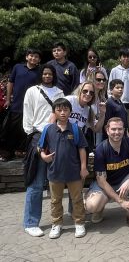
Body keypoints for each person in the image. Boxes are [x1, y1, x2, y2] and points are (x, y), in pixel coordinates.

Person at [22, 64, 64, 237]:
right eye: (45, 74)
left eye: (50, 74)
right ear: (41, 75)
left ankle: (63, 218)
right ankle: (31, 222)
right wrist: (30, 132)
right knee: (36, 182)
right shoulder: (32, 91)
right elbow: (27, 112)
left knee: (60, 181)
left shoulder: (59, 92)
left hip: (56, 136)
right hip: (38, 135)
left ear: (54, 75)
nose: (47, 76)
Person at [38, 98, 88, 239]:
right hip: (54, 171)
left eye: (65, 110)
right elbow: (41, 148)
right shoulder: (48, 129)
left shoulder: (75, 129)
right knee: (55, 200)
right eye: (59, 110)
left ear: (70, 112)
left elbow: (82, 149)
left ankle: (79, 223)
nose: (62, 113)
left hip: (74, 171)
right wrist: (43, 156)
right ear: (54, 112)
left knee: (77, 198)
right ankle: (57, 224)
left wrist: (83, 167)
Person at [85, 117, 129, 226]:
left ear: (124, 130)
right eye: (114, 129)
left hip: (124, 180)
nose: (117, 132)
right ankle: (99, 208)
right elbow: (101, 180)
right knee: (92, 205)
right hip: (105, 184)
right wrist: (120, 202)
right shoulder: (101, 149)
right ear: (107, 131)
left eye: (120, 129)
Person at [0, 48, 41, 161]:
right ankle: (7, 153)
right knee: (12, 129)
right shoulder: (17, 67)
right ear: (27, 57)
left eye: (36, 56)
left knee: (26, 130)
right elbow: (10, 83)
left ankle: (21, 152)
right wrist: (8, 99)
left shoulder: (40, 71)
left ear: (39, 59)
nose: (33, 58)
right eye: (31, 55)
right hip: (17, 104)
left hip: (31, 107)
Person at [108, 47, 129, 135]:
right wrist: (111, 100)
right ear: (120, 58)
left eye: (128, 56)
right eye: (124, 56)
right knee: (117, 125)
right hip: (117, 103)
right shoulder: (114, 70)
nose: (126, 58)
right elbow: (109, 88)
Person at [66, 82, 106, 147]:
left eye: (91, 93)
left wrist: (102, 113)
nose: (88, 94)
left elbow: (96, 129)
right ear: (80, 90)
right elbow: (53, 118)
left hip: (75, 142)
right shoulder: (69, 100)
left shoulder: (89, 109)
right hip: (63, 139)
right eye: (85, 91)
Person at [92, 71, 108, 146]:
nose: (101, 82)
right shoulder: (88, 96)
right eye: (98, 79)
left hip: (97, 131)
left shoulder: (102, 98)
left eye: (103, 80)